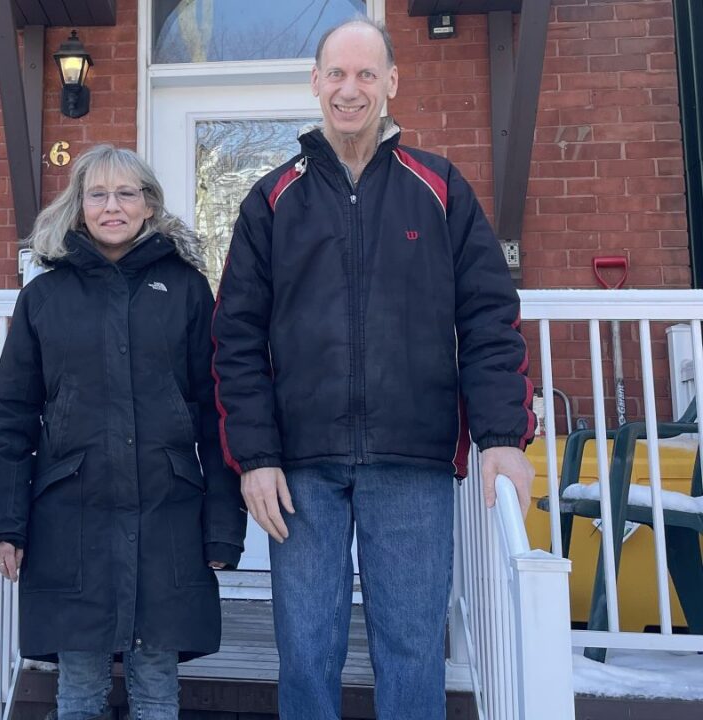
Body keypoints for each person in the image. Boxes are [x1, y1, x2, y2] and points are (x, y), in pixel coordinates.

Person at [210, 18, 536, 720]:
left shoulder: (440, 188)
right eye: (336, 74)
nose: (349, 89)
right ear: (315, 84)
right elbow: (235, 338)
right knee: (305, 654)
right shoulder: (271, 200)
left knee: (413, 653)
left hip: (412, 459)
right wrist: (256, 457)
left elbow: (488, 319)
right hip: (300, 469)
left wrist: (502, 436)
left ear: (391, 83)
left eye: (365, 75)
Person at [0, 144, 245, 720]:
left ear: (149, 204)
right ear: (78, 208)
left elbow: (214, 410)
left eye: (127, 193)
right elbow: (15, 415)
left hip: (167, 512)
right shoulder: (44, 298)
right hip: (70, 518)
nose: (112, 206)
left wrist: (223, 528)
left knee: (156, 688)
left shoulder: (185, 290)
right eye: (97, 194)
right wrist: (5, 523)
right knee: (78, 690)